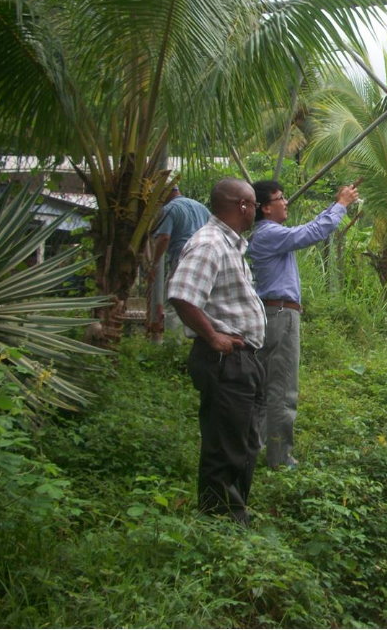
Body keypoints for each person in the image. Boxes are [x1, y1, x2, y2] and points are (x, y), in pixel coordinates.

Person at [168, 178, 267, 526]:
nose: (256, 210)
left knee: (244, 443)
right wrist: (213, 337)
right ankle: (221, 523)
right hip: (226, 361)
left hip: (244, 360)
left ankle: (234, 515)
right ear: (241, 206)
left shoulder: (231, 245)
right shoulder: (210, 243)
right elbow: (182, 294)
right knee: (226, 446)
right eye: (254, 204)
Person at [247, 179, 359, 470]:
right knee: (282, 390)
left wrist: (335, 205)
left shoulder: (265, 233)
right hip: (280, 315)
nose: (286, 202)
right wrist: (341, 205)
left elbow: (308, 229)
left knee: (264, 389)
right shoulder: (270, 233)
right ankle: (280, 459)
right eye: (280, 198)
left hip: (272, 314)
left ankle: (257, 449)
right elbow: (312, 232)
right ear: (265, 208)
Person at [149, 185, 210, 334]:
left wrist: (153, 263)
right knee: (199, 302)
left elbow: (164, 237)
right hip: (205, 261)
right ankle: (198, 338)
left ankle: (174, 341)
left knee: (175, 300)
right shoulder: (201, 207)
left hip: (183, 261)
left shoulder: (170, 209)